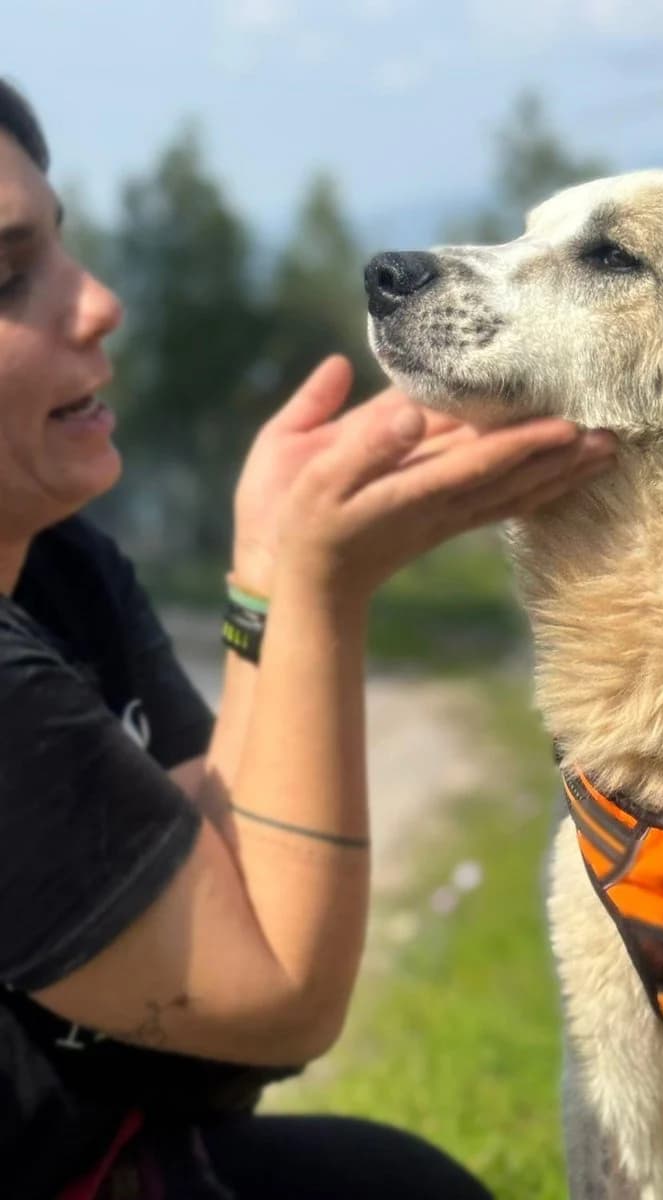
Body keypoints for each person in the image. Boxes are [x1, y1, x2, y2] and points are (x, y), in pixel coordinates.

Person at [0, 78, 617, 1200]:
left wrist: (265, 580)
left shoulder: (59, 562)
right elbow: (264, 1003)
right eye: (6, 280)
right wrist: (319, 588)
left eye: (63, 248)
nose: (97, 305)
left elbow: (227, 881)